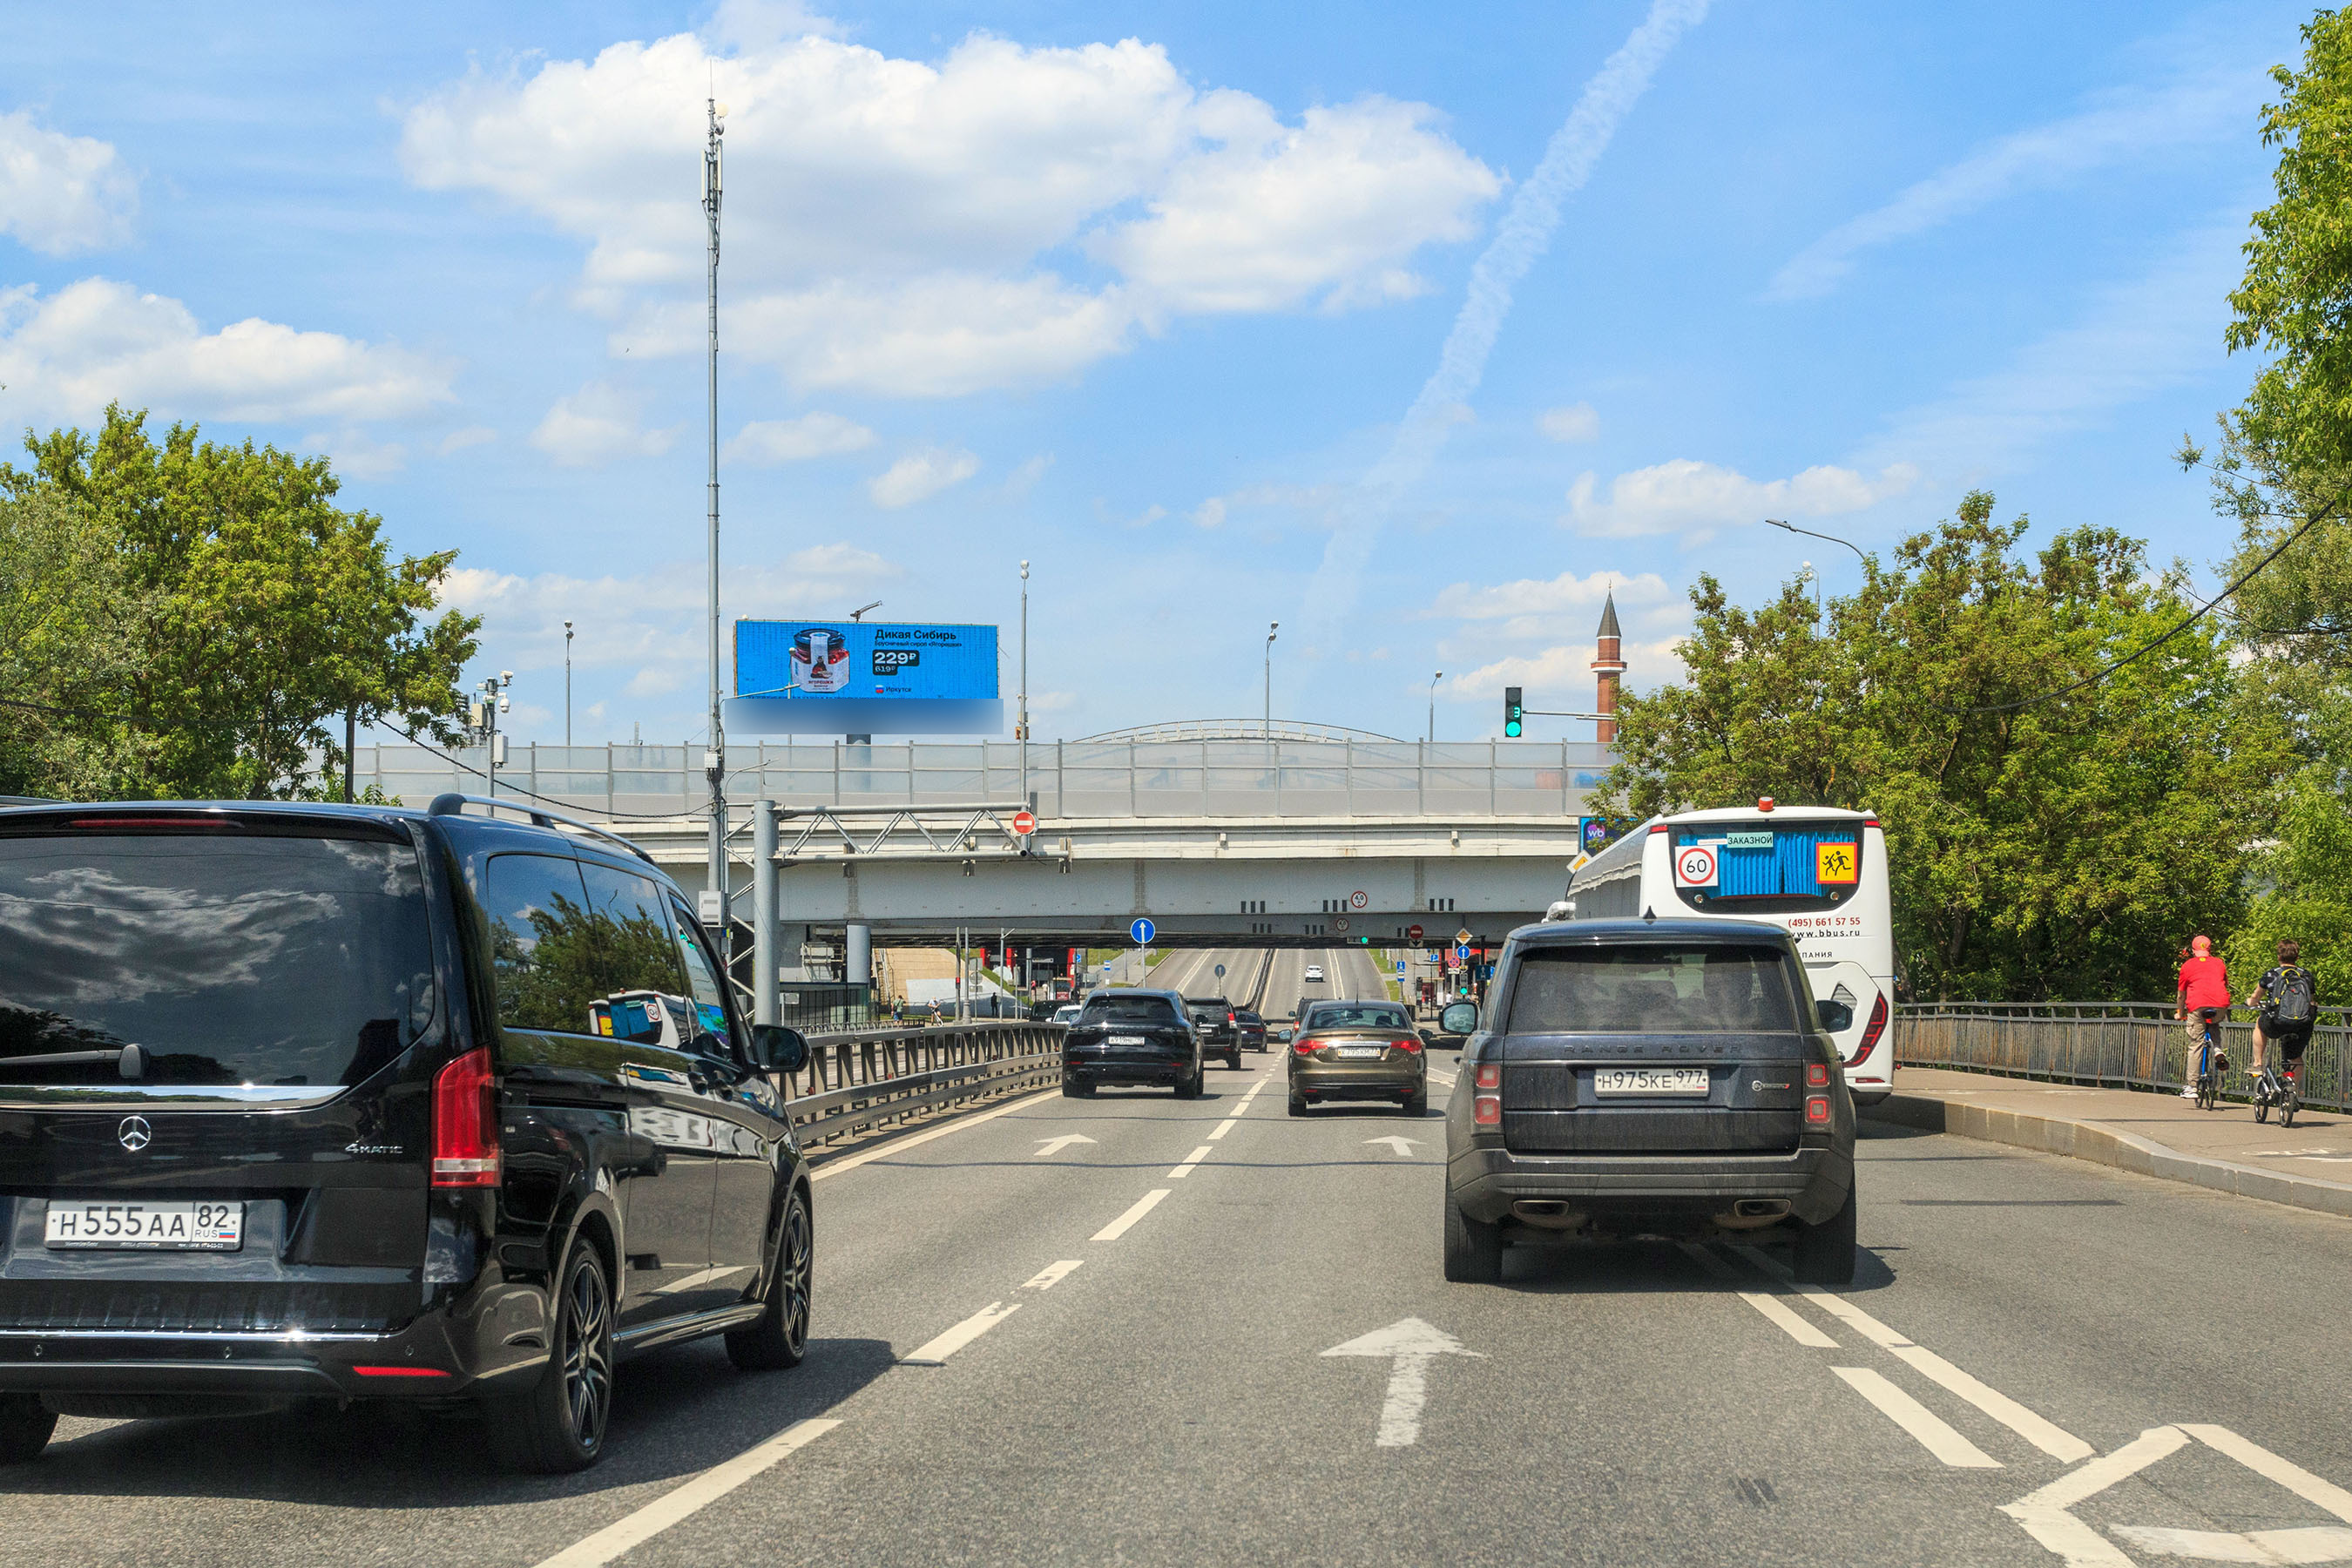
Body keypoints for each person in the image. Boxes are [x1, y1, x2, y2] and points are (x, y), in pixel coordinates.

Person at [2247, 939, 2317, 1098]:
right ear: (2297, 957)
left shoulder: (2271, 974)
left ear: (2279, 956)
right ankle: (2293, 1092)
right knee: (2295, 1056)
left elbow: (2256, 997)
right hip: (2302, 1024)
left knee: (2259, 1023)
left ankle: (2258, 1063)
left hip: (2277, 1023)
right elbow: (2311, 1001)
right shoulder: (2306, 976)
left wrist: (2250, 1002)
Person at [2175, 934, 2231, 1098]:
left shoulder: (2188, 965)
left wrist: (2180, 1013)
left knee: (2196, 1045)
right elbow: (2223, 984)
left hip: (2198, 1005)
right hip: (2220, 1004)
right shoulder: (2219, 963)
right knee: (2213, 1023)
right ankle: (2218, 1049)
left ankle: (2192, 1087)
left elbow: (2181, 995)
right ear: (2209, 949)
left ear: (2193, 950)